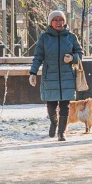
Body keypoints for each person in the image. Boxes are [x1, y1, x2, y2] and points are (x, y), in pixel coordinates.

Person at [29, 10, 82, 141]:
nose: (59, 22)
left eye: (61, 20)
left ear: (64, 21)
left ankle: (62, 132)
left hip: (66, 77)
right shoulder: (44, 38)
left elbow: (80, 53)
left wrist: (72, 58)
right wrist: (33, 72)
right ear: (50, 22)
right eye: (55, 20)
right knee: (51, 106)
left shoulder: (70, 37)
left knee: (65, 105)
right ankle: (54, 123)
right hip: (49, 76)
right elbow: (38, 57)